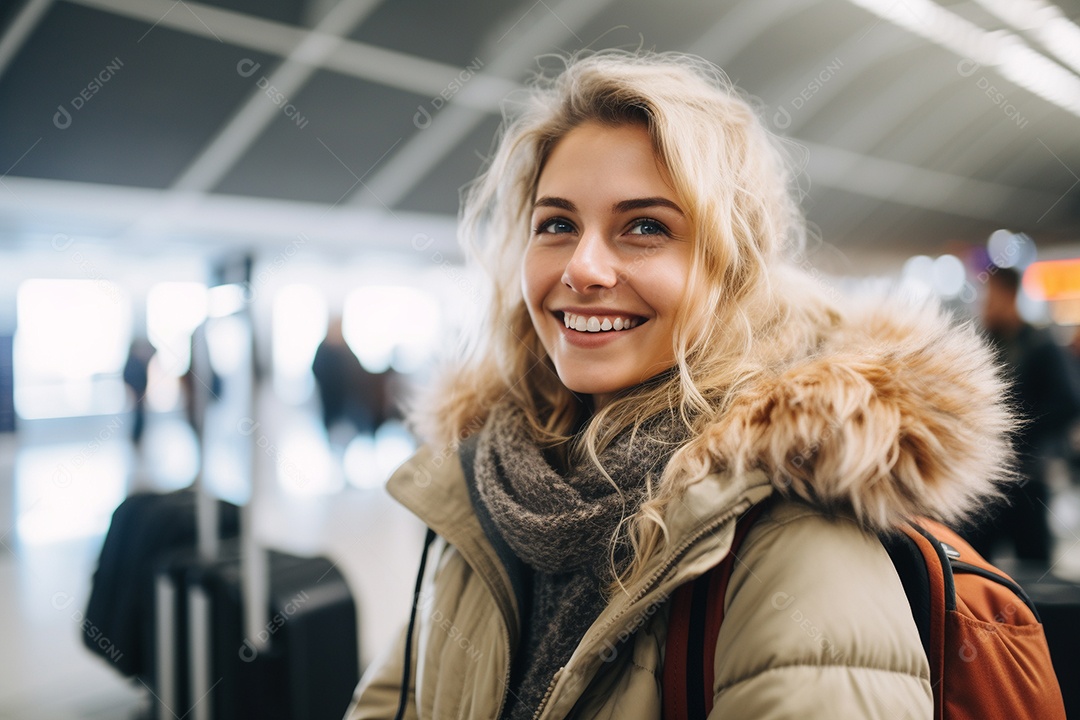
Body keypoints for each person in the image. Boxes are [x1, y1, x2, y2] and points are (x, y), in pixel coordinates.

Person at [345, 51, 1013, 719]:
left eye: (644, 227)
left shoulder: (792, 540)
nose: (583, 266)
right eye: (557, 224)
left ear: (733, 268)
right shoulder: (494, 493)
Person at [965, 266, 1080, 562]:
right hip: (987, 478)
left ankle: (1035, 610)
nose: (984, 306)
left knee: (1033, 561)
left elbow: (1068, 401)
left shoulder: (1040, 346)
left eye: (989, 298)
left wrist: (1022, 433)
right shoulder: (985, 343)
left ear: (1010, 296)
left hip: (1028, 476)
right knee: (975, 560)